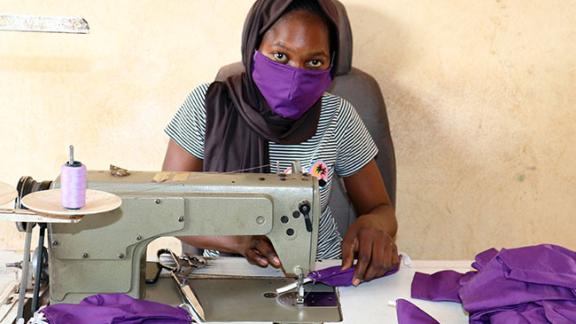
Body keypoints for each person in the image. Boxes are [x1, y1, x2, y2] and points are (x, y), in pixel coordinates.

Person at [163, 0, 398, 286]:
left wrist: (373, 226)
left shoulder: (338, 117)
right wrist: (237, 238)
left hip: (317, 273)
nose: (296, 75)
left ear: (331, 63)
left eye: (314, 62)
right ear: (254, 48)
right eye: (280, 56)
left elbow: (381, 209)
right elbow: (166, 207)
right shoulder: (207, 107)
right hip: (226, 273)